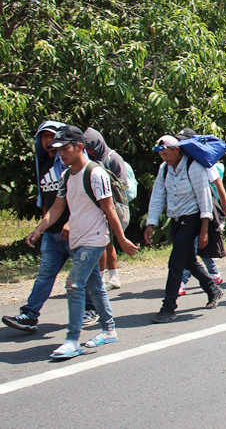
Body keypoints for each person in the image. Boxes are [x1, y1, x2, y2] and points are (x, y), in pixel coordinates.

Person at [25, 125, 138, 359]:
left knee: (74, 285)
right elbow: (57, 208)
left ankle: (72, 339)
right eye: (58, 150)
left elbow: (109, 210)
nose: (61, 154)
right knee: (94, 287)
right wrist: (38, 230)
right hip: (77, 239)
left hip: (94, 240)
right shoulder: (66, 175)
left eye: (65, 148)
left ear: (79, 147)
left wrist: (122, 240)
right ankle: (108, 331)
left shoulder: (95, 173)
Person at [3, 121, 96, 334]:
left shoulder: (78, 166)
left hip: (78, 232)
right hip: (53, 233)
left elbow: (89, 200)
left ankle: (92, 311)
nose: (47, 141)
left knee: (84, 276)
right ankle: (30, 315)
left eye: (51, 136)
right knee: (45, 274)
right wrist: (39, 228)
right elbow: (52, 204)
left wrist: (71, 222)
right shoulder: (45, 164)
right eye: (43, 137)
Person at [144, 135, 225, 322]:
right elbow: (157, 196)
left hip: (193, 219)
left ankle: (169, 307)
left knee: (175, 262)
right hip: (176, 220)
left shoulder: (193, 167)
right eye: (160, 153)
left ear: (177, 149)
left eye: (166, 151)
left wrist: (204, 229)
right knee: (188, 259)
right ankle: (213, 289)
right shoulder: (164, 169)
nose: (163, 155)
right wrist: (151, 224)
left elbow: (204, 198)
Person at [173, 128, 226, 295]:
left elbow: (218, 185)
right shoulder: (176, 161)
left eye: (183, 140)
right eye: (178, 140)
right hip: (185, 210)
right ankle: (214, 273)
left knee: (192, 246)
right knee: (198, 244)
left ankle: (182, 281)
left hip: (202, 208)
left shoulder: (203, 160)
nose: (180, 144)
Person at [83, 128, 129, 291]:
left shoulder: (113, 158)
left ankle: (107, 278)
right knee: (105, 242)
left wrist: (104, 177)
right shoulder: (92, 160)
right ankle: (106, 277)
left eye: (90, 147)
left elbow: (123, 184)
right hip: (100, 206)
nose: (88, 151)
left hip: (115, 205)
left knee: (106, 242)